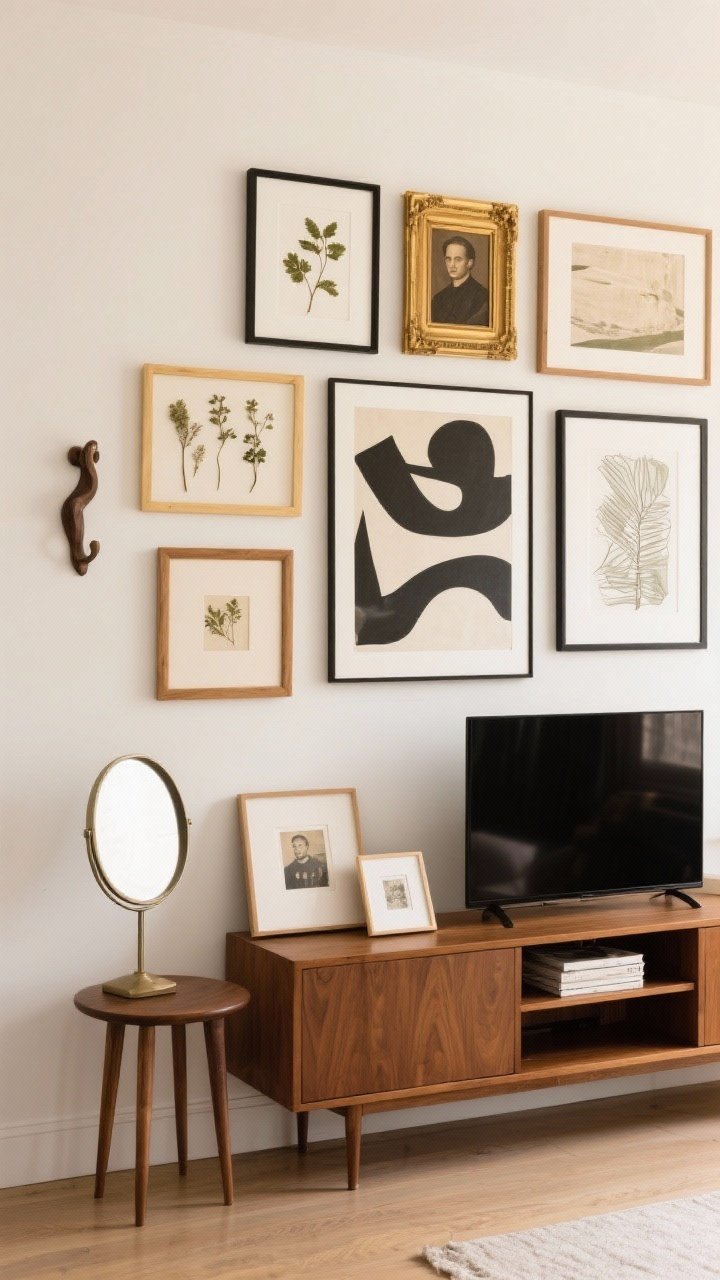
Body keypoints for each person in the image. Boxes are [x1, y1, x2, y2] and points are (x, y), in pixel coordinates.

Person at [431, 234, 489, 326]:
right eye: (448, 259)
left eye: (458, 259)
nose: (452, 265)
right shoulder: (438, 299)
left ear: (469, 263)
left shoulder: (482, 296)